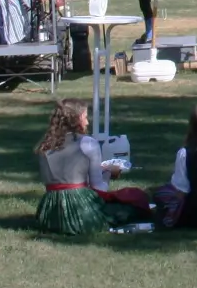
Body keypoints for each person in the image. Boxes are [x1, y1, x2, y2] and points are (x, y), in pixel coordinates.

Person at [33, 99, 135, 234]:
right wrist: (110, 172)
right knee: (132, 203)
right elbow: (99, 188)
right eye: (85, 117)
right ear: (78, 119)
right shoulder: (87, 143)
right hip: (80, 210)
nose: (87, 122)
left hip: (51, 213)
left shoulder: (44, 145)